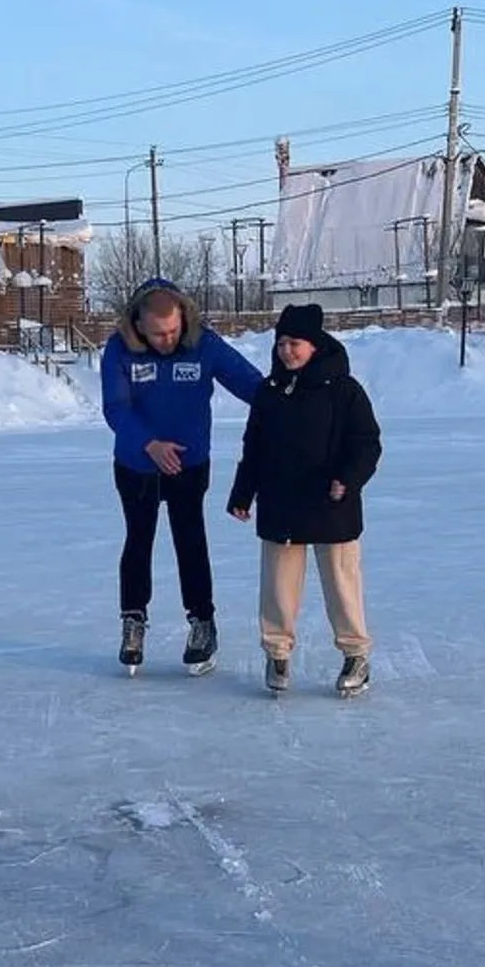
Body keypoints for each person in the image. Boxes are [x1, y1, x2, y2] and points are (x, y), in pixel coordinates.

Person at [100, 277, 264, 676]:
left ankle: (202, 623)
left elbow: (250, 384)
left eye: (172, 330)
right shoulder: (120, 348)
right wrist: (149, 444)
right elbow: (116, 408)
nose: (167, 340)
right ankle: (133, 621)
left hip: (189, 464)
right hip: (137, 463)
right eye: (158, 333)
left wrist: (294, 401)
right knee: (138, 540)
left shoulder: (202, 343)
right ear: (139, 324)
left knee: (190, 540)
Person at [225, 303, 383, 698]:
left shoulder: (344, 390)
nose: (287, 351)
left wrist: (348, 479)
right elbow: (255, 447)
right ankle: (277, 653)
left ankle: (355, 653)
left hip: (332, 504)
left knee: (342, 584)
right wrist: (244, 491)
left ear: (314, 345)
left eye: (295, 343)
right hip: (282, 502)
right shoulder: (270, 390)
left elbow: (366, 443)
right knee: (278, 586)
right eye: (281, 343)